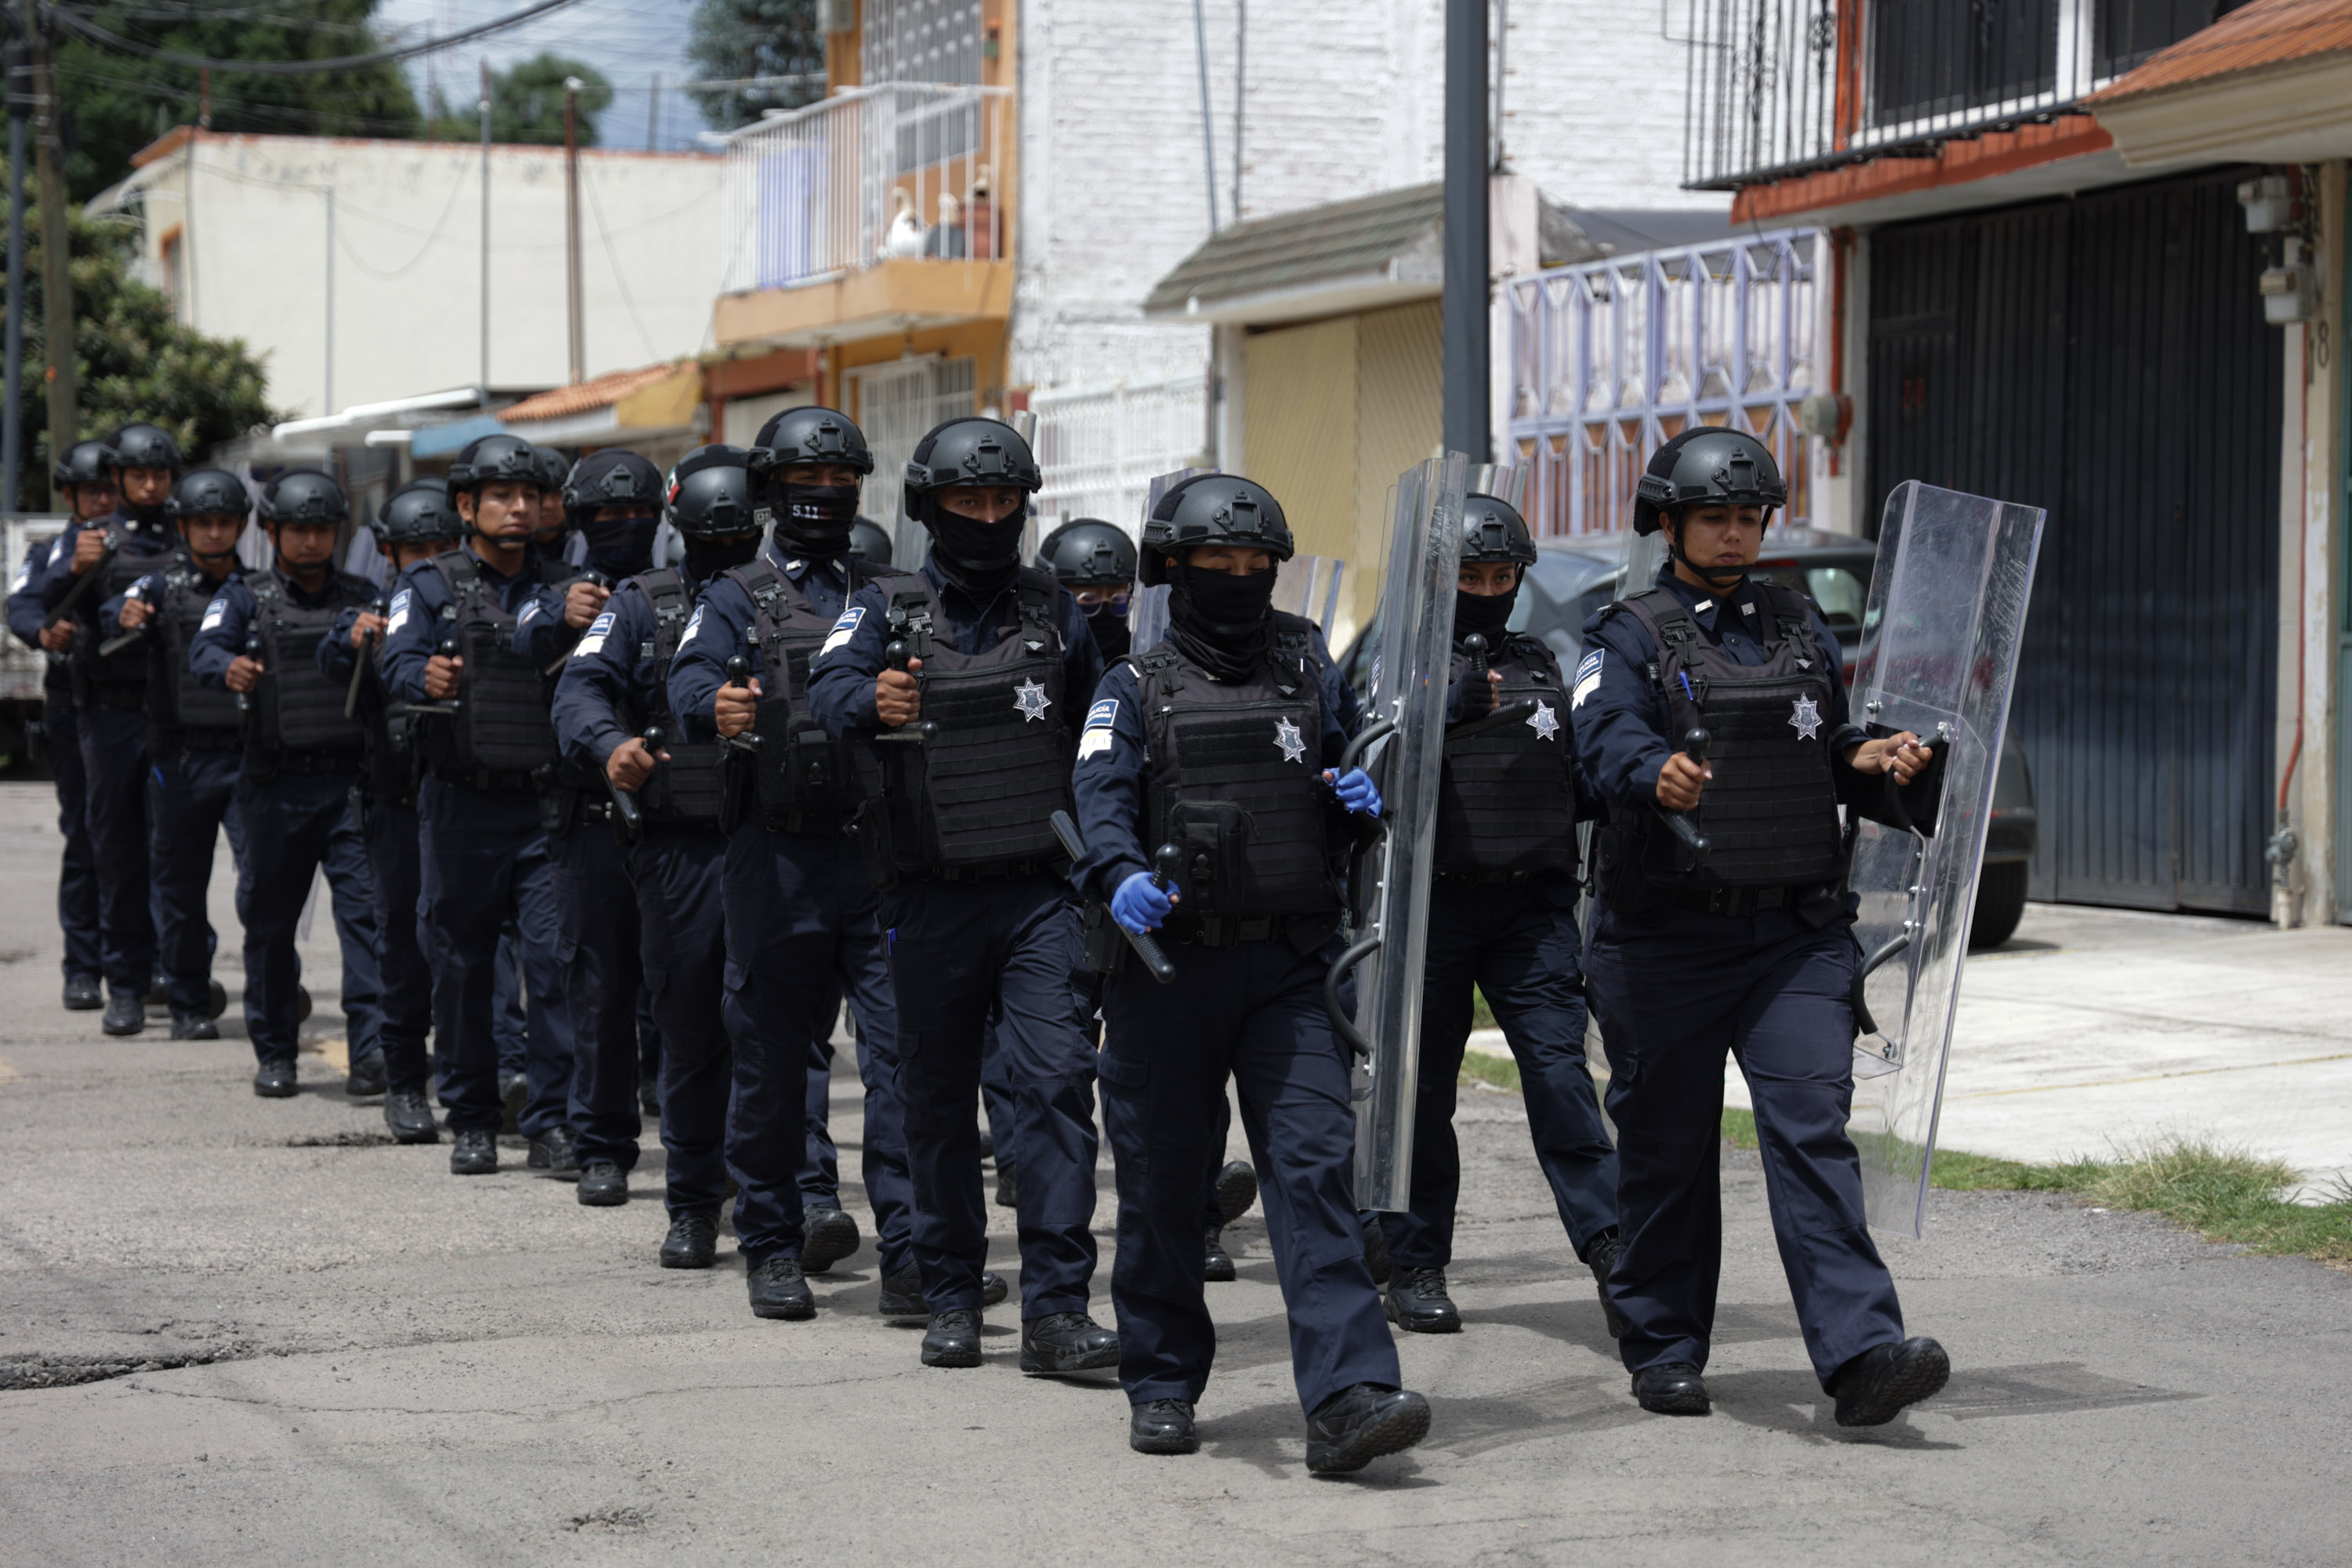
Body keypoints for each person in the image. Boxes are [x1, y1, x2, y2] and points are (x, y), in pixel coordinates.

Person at [1573, 426, 1949, 1428]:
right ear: (1671, 521)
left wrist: (1873, 759)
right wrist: (1651, 771)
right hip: (1665, 942)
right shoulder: (1628, 634)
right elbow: (1602, 736)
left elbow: (1826, 739)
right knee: (1667, 1149)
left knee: (1812, 1130)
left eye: (1749, 517)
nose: (1736, 534)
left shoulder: (1796, 624)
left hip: (1795, 936)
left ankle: (1864, 1352)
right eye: (1715, 517)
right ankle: (1663, 1344)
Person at [1068, 471, 1427, 1472]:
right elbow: (1097, 794)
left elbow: (1344, 766)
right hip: (1167, 975)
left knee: (1313, 1172)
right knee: (1165, 1183)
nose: (1238, 576)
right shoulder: (1130, 687)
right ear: (1171, 569)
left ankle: (1351, 1393)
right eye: (1215, 562)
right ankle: (1165, 1378)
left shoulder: (1310, 663)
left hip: (1289, 967)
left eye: (1255, 563)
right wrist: (1119, 869)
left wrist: (1359, 794)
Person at [803, 415, 1116, 1373]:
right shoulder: (882, 605)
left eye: (1002, 500)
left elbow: (1108, 724)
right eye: (966, 501)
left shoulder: (1054, 606)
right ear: (928, 507)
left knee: (1058, 1086)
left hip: (1040, 897)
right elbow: (823, 691)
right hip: (927, 896)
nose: (987, 515)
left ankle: (1058, 1308)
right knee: (934, 1101)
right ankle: (949, 1292)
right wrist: (871, 703)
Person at [667, 409, 957, 1320]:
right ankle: (771, 1240)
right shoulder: (735, 595)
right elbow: (686, 678)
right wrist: (711, 705)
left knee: (903, 1060)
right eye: (806, 480)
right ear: (773, 489)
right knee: (768, 1059)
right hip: (778, 854)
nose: (825, 495)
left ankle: (911, 1250)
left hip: (879, 856)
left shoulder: (892, 590)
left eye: (840, 480)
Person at [1376, 492, 1623, 1337]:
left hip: (1531, 909)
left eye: (1502, 574)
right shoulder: (1395, 663)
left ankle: (1613, 1243)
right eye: (1470, 575)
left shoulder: (1542, 663)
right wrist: (1440, 714)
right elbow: (1357, 772)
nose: (1488, 588)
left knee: (1560, 1076)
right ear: (1439, 579)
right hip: (1431, 906)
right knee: (1423, 1093)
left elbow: (1574, 777)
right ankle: (1412, 1261)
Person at [1034, 516, 1261, 1280]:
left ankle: (1197, 1214)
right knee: (1057, 1064)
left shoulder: (1155, 672)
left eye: (1112, 592)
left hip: (1155, 888)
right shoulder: (1039, 668)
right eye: (1079, 593)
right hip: (1060, 893)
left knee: (1185, 1065)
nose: (1097, 606)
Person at [380, 433, 593, 1178]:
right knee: (463, 967)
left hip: (543, 810)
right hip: (460, 805)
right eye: (500, 496)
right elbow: (396, 661)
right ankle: (471, 1114)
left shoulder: (570, 586)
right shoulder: (429, 584)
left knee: (554, 964)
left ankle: (552, 1121)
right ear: (467, 506)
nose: (517, 508)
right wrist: (423, 680)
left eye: (530, 496)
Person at [187, 470, 384, 1099]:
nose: (310, 541)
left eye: (321, 529)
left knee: (366, 921)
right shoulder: (247, 596)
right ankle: (275, 1050)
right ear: (271, 531)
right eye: (297, 528)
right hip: (275, 788)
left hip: (351, 787)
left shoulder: (363, 596)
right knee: (271, 926)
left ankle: (373, 1051)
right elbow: (203, 652)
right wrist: (230, 668)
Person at [521, 448, 662, 1206]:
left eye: (637, 513)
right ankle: (603, 1144)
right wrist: (559, 614)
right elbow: (522, 636)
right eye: (607, 516)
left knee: (698, 988)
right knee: (599, 988)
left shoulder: (685, 589)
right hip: (590, 815)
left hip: (685, 820)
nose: (623, 526)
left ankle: (711, 1147)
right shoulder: (551, 589)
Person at [321, 480, 466, 1142]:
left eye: (443, 547)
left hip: (470, 806)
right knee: (402, 948)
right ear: (387, 550)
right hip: (396, 807)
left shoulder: (478, 605)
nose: (430, 559)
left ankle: (502, 1083)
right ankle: (405, 1081)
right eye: (417, 549)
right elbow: (328, 659)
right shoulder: (370, 610)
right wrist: (354, 642)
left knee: (484, 954)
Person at [40, 423, 187, 1036]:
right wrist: (67, 580)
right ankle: (117, 982)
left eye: (159, 475)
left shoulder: (195, 536)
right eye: (137, 475)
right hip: (108, 716)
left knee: (178, 858)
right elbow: (47, 611)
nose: (149, 485)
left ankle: (180, 983)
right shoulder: (89, 541)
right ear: (118, 479)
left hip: (179, 718)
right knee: (113, 853)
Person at [103, 467, 251, 1040]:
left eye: (224, 522)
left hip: (250, 760)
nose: (214, 533)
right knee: (178, 888)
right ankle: (184, 1001)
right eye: (202, 523)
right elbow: (113, 611)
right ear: (184, 526)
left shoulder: (261, 589)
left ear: (240, 525)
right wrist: (122, 614)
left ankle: (271, 994)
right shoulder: (160, 586)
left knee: (264, 888)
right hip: (181, 760)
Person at [6, 441, 117, 1011]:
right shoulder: (55, 550)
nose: (103, 498)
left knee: (155, 843)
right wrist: (44, 630)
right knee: (86, 836)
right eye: (92, 489)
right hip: (74, 706)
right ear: (69, 494)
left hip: (140, 710)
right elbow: (22, 607)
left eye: (110, 488)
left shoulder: (143, 543)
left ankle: (152, 966)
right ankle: (83, 967)